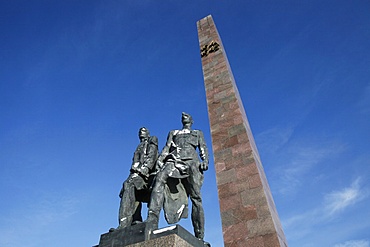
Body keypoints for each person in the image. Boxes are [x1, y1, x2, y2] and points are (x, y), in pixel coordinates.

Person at [146, 112, 209, 243]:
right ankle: (151, 221)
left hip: (192, 163)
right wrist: (160, 160)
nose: (184, 116)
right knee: (159, 179)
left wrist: (205, 161)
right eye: (183, 116)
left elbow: (203, 148)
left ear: (191, 120)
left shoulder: (197, 133)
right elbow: (167, 147)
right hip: (174, 160)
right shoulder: (173, 133)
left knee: (196, 197)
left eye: (187, 116)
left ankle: (199, 236)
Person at [117, 127, 158, 229]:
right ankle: (135, 219)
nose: (141, 132)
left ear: (148, 134)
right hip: (136, 174)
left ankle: (124, 223)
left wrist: (142, 171)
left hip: (147, 176)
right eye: (139, 131)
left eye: (143, 131)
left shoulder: (152, 140)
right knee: (128, 188)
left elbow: (151, 158)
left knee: (128, 184)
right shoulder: (138, 146)